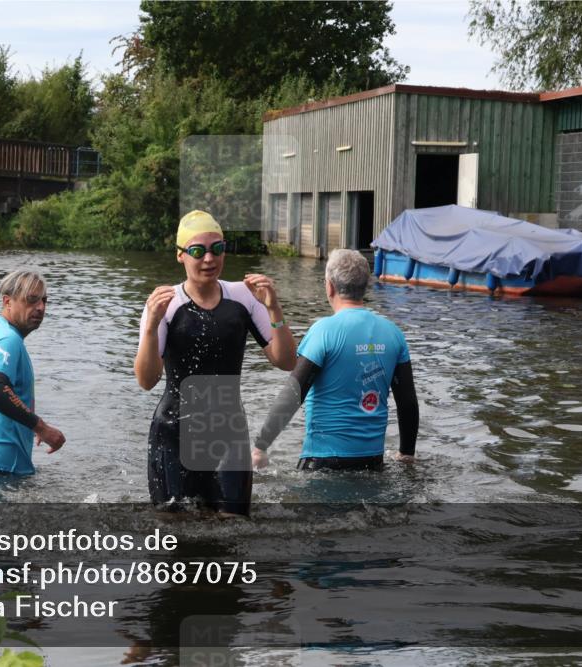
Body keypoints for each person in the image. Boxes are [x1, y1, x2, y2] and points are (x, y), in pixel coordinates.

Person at [133, 210, 296, 517]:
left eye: (217, 248)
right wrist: (152, 327)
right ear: (181, 255)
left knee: (233, 525)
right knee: (177, 530)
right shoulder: (166, 304)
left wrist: (274, 309)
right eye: (197, 251)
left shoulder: (244, 297)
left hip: (228, 429)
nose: (209, 259)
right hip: (174, 431)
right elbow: (146, 380)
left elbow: (286, 361)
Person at [252, 249, 420, 473]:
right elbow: (407, 403)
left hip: (323, 461)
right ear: (366, 285)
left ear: (329, 286)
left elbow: (293, 394)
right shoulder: (393, 333)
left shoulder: (324, 331)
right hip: (373, 463)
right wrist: (406, 454)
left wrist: (260, 446)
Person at [0, 269, 65, 475]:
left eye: (44, 301)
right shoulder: (8, 339)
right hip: (1, 465)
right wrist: (41, 427)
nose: (41, 307)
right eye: (32, 300)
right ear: (8, 302)